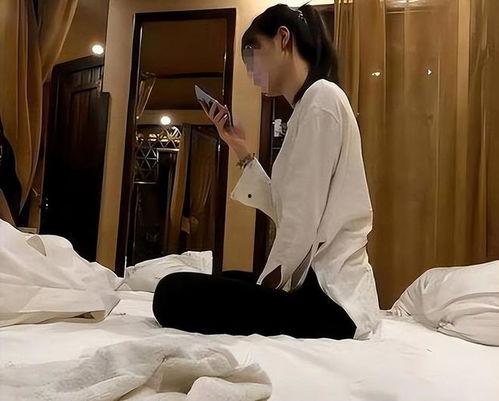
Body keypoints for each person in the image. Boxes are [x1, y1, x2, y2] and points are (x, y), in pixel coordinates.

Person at [153, 3, 380, 340]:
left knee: (171, 292)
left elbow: (301, 219)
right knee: (226, 278)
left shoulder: (321, 99)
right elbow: (284, 207)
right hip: (313, 287)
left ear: (283, 39)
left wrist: (266, 289)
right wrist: (237, 145)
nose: (249, 68)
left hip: (331, 300)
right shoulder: (307, 107)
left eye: (252, 51)